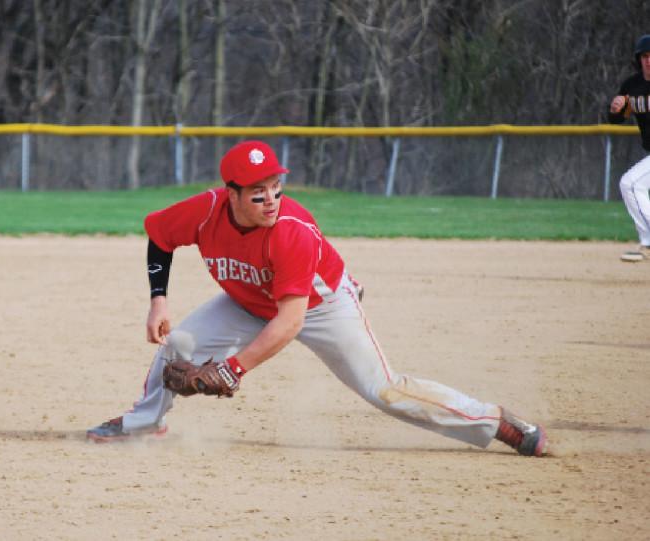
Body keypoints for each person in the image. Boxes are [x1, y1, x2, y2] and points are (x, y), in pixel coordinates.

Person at [86, 140, 548, 457]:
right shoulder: (206, 212)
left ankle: (497, 422)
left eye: (275, 187)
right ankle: (146, 422)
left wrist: (234, 367)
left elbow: (290, 323)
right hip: (250, 301)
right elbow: (160, 237)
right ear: (231, 195)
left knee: (384, 389)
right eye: (257, 192)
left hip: (321, 306)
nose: (271, 198)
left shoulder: (291, 230)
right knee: (180, 344)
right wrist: (159, 301)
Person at [609, 34, 650, 262]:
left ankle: (649, 242)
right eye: (645, 56)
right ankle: (647, 243)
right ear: (639, 59)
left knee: (631, 183)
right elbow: (616, 119)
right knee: (634, 185)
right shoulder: (631, 86)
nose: (649, 60)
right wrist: (616, 110)